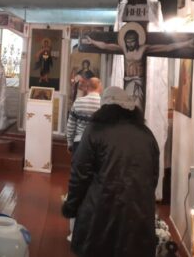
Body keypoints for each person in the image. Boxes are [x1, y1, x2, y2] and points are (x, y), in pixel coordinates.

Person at [62, 86, 159, 257]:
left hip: (100, 210)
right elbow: (153, 177)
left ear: (104, 107)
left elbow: (80, 173)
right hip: (138, 213)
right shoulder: (146, 134)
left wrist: (71, 206)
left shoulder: (95, 130)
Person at [82, 23, 194, 109]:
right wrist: (92, 42)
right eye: (127, 42)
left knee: (137, 107)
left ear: (137, 40)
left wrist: (187, 43)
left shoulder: (144, 48)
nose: (130, 44)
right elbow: (105, 46)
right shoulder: (123, 49)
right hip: (127, 81)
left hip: (139, 82)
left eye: (132, 42)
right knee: (127, 106)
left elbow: (167, 47)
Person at [64, 77, 102, 242]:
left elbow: (70, 125)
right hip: (98, 148)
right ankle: (92, 231)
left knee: (77, 185)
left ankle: (74, 232)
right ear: (99, 87)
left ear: (87, 87)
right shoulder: (103, 104)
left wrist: (69, 143)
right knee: (95, 184)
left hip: (80, 144)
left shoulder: (79, 103)